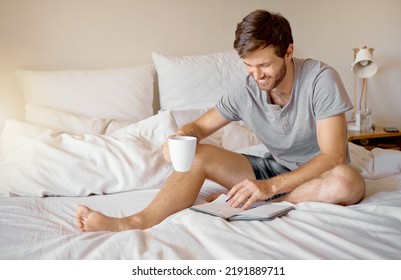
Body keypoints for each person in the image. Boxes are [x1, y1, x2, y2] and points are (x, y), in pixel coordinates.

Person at [76, 10, 365, 232]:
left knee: (347, 182)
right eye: (249, 66)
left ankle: (269, 205)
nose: (257, 75)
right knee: (198, 155)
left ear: (288, 52)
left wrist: (269, 188)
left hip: (319, 177)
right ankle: (135, 222)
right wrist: (182, 137)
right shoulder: (247, 90)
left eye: (265, 64)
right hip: (272, 169)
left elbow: (333, 155)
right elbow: (199, 127)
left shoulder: (320, 80)